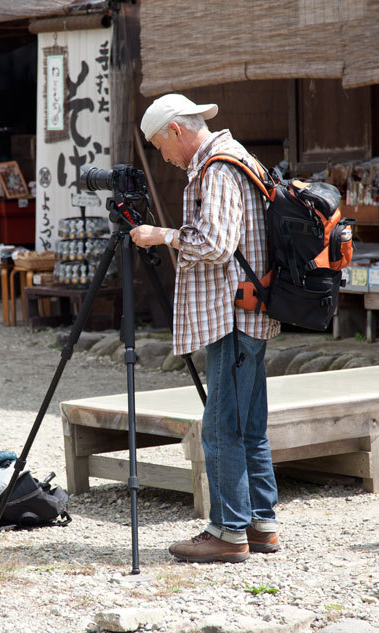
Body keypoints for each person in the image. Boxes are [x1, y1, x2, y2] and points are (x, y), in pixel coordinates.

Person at [130, 94, 280, 563]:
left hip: (233, 316)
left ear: (175, 130)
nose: (163, 157)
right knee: (249, 425)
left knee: (220, 429)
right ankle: (261, 525)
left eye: (159, 145)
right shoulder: (240, 158)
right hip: (250, 311)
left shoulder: (216, 168)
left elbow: (216, 244)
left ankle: (228, 532)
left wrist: (162, 235)